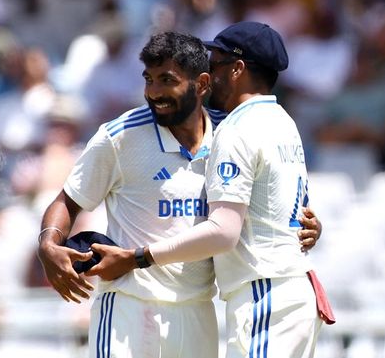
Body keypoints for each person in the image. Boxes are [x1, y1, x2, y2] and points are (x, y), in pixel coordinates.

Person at [37, 31, 322, 358]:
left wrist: (308, 224)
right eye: (149, 80)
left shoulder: (230, 132)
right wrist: (48, 243)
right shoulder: (119, 136)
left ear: (201, 84)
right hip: (129, 307)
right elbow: (67, 202)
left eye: (166, 80)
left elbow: (270, 198)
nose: (154, 92)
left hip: (197, 311)